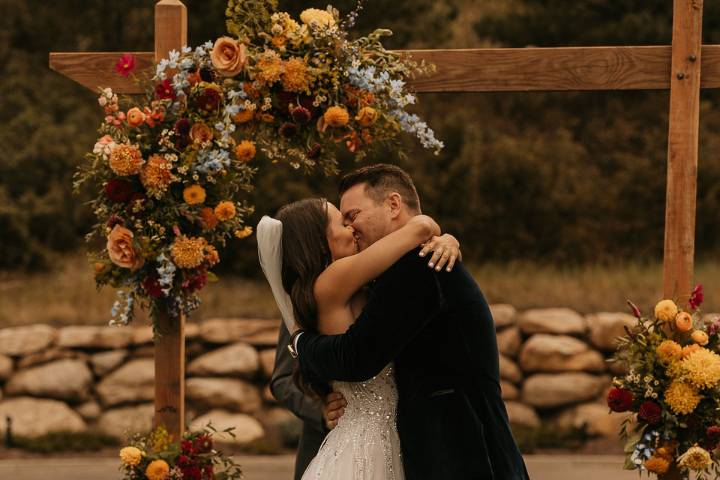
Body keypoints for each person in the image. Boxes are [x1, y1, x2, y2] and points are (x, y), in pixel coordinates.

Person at [291, 164, 529, 479]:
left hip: (463, 455)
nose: (350, 227)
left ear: (392, 205)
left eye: (353, 215)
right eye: (343, 221)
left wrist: (301, 343)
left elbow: (357, 357)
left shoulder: (418, 266)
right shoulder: (393, 271)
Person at [258, 196, 460, 480]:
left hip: (382, 436)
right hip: (365, 442)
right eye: (342, 222)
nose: (352, 226)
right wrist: (442, 236)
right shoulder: (333, 279)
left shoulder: (336, 288)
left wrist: (447, 242)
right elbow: (421, 226)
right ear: (319, 242)